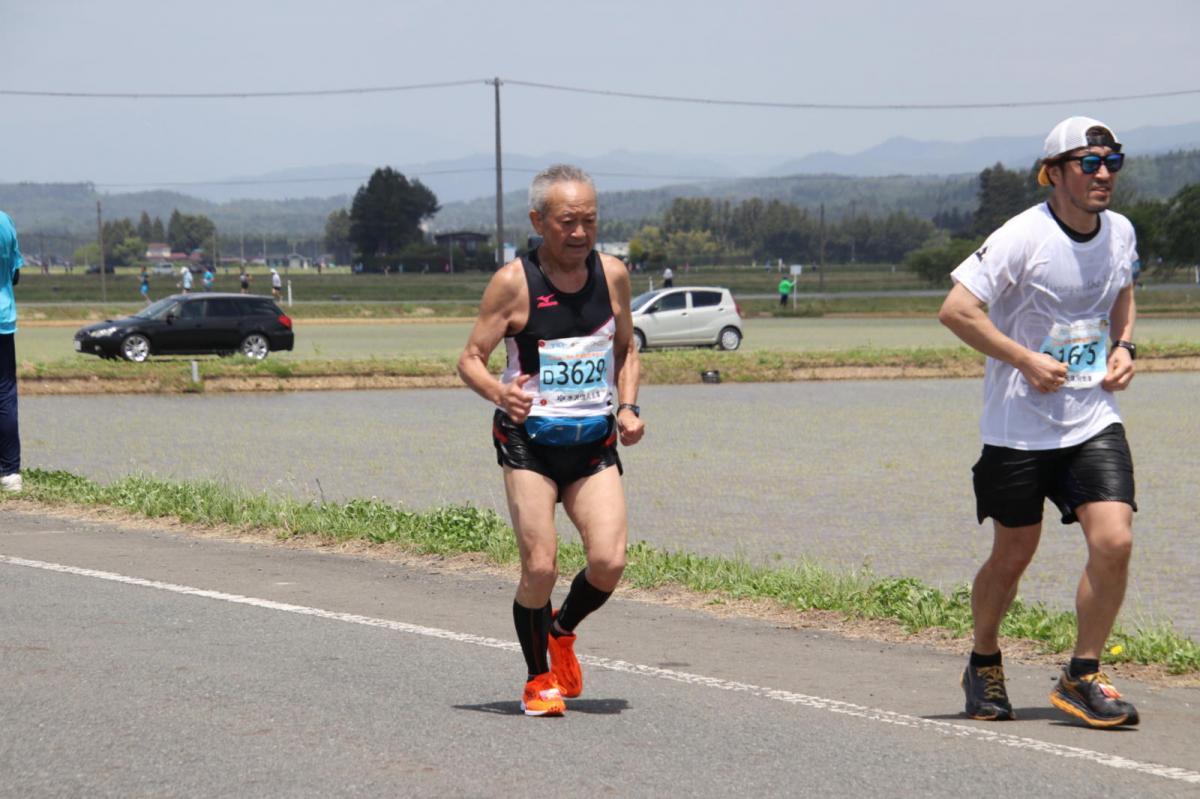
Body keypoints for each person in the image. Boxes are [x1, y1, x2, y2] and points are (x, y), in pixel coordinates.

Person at [939, 116, 1140, 729]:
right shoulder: (1020, 237)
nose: (1103, 172)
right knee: (1013, 554)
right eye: (1089, 161)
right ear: (1054, 174)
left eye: (1113, 161)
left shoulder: (1122, 232)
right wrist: (1025, 359)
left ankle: (1082, 675)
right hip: (1018, 427)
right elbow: (956, 310)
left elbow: (1122, 291)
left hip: (1091, 418)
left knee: (1115, 540)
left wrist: (1126, 346)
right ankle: (984, 663)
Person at [457, 164, 645, 717]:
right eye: (568, 221)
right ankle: (539, 677)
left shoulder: (612, 274)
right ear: (540, 221)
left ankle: (562, 630)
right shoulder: (514, 282)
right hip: (529, 444)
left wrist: (629, 406)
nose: (580, 232)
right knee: (540, 567)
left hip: (591, 443)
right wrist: (499, 392)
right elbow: (469, 360)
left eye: (589, 220)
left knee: (608, 562)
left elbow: (627, 348)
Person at [1, 211, 23, 493]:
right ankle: (9, 472)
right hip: (2, 319)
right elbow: (15, 274)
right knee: (4, 393)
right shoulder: (5, 221)